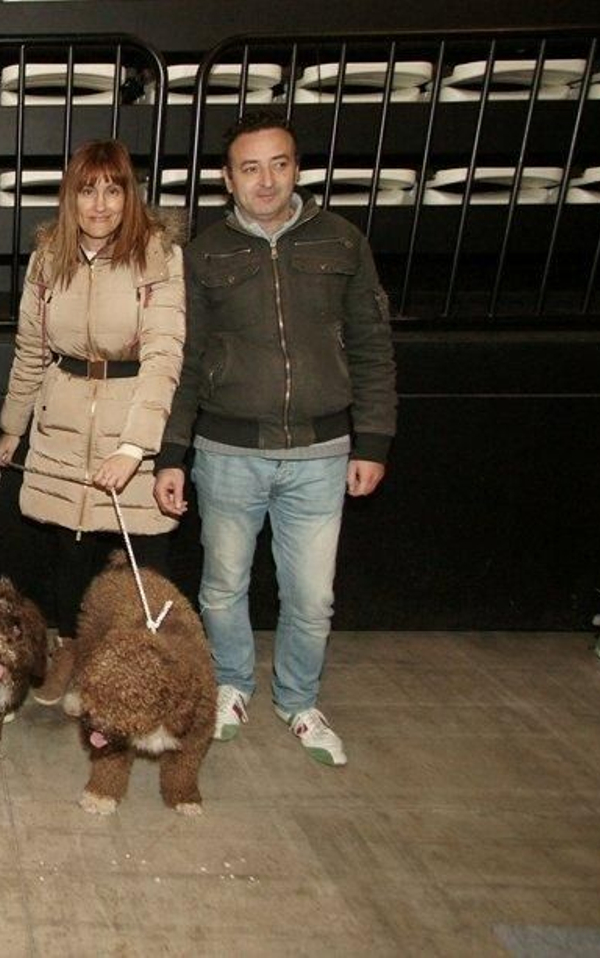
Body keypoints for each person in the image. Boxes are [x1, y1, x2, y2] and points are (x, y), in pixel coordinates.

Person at [153, 112, 397, 768]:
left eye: (280, 164)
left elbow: (373, 345)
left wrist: (372, 439)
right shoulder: (204, 253)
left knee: (312, 595)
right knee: (222, 587)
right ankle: (232, 685)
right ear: (227, 179)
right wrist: (172, 454)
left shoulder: (343, 242)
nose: (267, 180)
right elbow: (188, 359)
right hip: (227, 451)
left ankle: (298, 700)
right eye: (251, 168)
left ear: (297, 169)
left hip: (322, 454)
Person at [0, 139, 186, 708]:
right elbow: (30, 349)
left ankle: (154, 666)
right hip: (62, 417)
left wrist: (135, 447)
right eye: (87, 189)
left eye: (113, 189)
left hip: (133, 419)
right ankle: (72, 650)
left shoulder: (159, 254)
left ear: (130, 194)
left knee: (148, 561)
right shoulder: (48, 256)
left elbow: (164, 355)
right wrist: (12, 426)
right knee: (68, 554)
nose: (100, 204)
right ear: (69, 196)